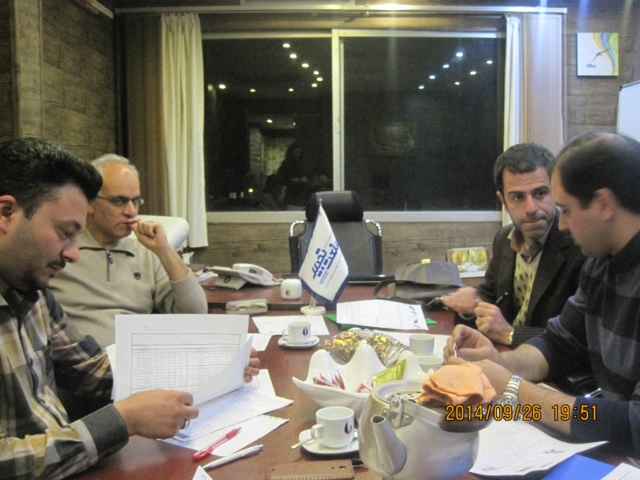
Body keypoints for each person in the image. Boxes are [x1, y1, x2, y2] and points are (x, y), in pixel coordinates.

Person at [0, 138, 260, 479]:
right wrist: (121, 420)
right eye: (65, 232)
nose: (74, 254)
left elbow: (94, 371)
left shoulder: (33, 293)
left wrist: (214, 369)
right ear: (6, 213)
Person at [444, 132, 640, 455]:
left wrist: (513, 390)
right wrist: (499, 361)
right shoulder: (600, 262)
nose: (561, 225)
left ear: (604, 205)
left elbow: (632, 424)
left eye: (566, 210)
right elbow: (559, 343)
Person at [49, 154, 208, 347]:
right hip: (81, 361)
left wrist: (165, 251)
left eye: (136, 201)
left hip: (139, 358)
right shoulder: (61, 251)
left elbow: (195, 315)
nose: (131, 211)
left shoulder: (147, 253)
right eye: (119, 201)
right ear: (89, 203)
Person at [442, 143, 584, 347]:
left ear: (556, 191)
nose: (531, 208)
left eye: (540, 193)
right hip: (501, 353)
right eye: (518, 197)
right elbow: (490, 295)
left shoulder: (581, 246)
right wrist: (474, 304)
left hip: (545, 362)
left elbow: (579, 338)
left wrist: (510, 333)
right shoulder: (503, 239)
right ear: (503, 200)